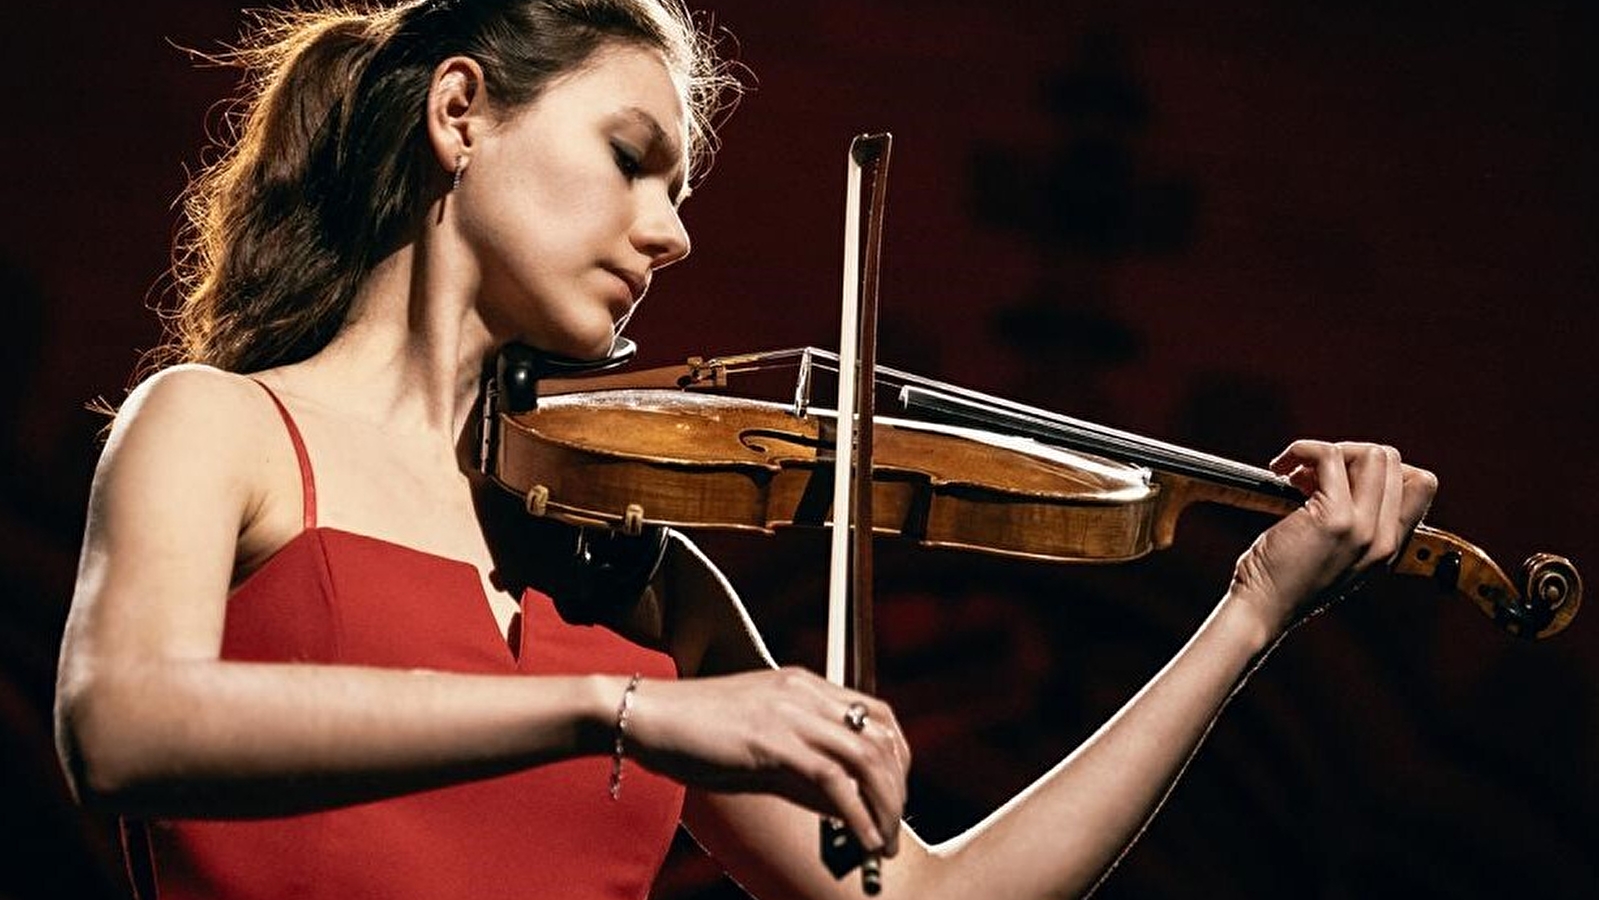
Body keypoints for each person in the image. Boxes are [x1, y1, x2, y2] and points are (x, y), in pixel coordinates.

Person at [53, 1, 1437, 898]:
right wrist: (624, 711)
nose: (674, 229)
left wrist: (1250, 613)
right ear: (460, 114)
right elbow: (121, 727)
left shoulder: (628, 578)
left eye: (684, 186)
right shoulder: (221, 427)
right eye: (631, 157)